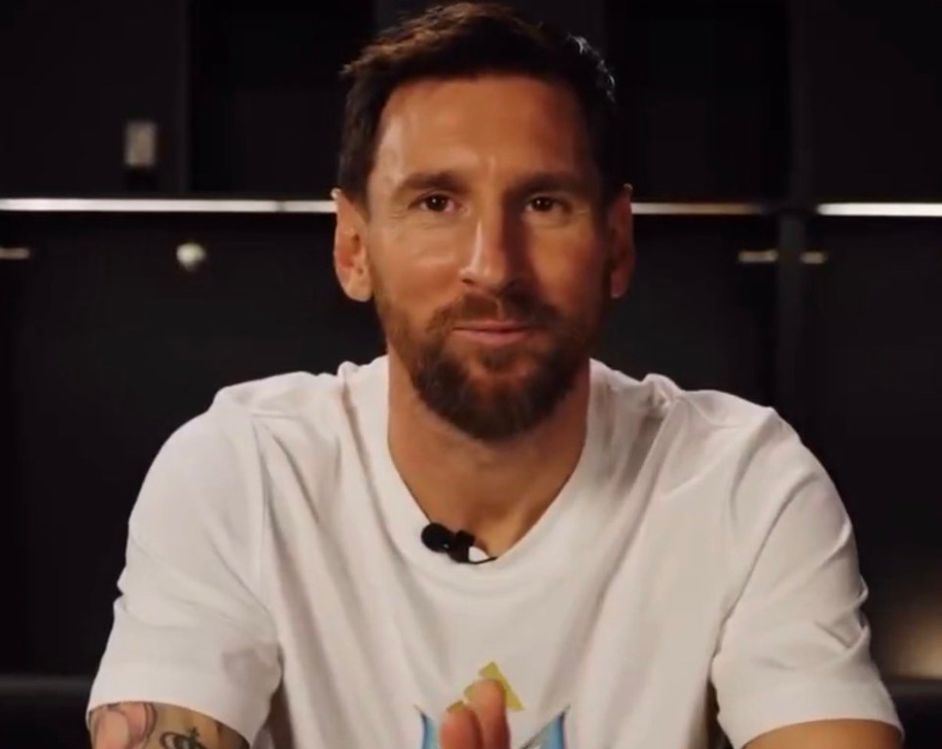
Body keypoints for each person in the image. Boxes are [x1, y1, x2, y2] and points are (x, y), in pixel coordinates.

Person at [86, 3, 903, 748]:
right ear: (354, 246)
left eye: (544, 203)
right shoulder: (240, 470)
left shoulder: (744, 481)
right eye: (436, 203)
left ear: (616, 243)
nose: (493, 266)